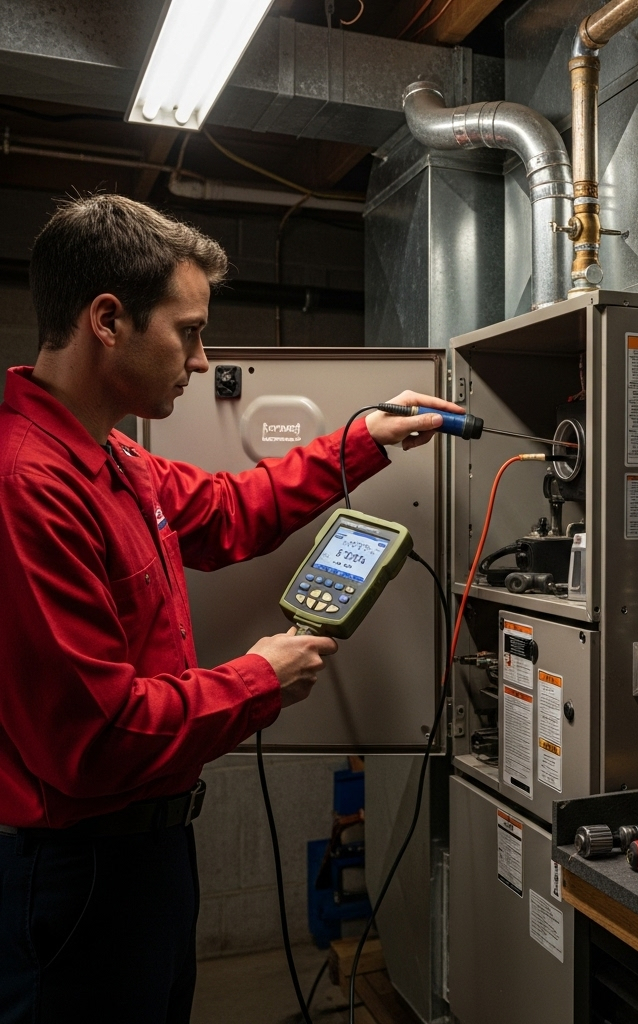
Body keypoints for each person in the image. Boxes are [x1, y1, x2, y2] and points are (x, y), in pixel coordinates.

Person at [0, 194, 463, 1024]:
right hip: (71, 870)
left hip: (148, 850)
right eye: (188, 331)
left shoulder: (117, 461)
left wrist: (370, 437)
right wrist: (257, 679)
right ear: (108, 319)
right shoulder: (27, 485)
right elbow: (94, 739)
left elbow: (227, 510)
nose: (202, 357)